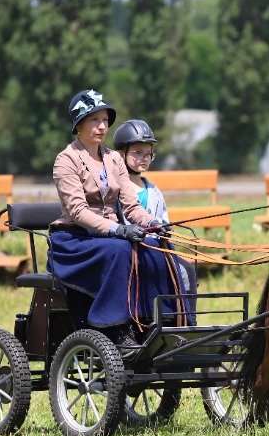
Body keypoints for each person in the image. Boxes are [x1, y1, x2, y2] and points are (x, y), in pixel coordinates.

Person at [47, 89, 177, 347]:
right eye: (94, 120)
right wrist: (117, 229)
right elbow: (78, 212)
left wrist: (152, 223)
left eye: (105, 120)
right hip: (74, 241)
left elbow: (130, 205)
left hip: (106, 239)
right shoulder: (66, 161)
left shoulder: (113, 159)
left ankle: (161, 323)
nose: (102, 126)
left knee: (157, 248)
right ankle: (117, 329)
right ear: (78, 125)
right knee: (120, 250)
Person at [113, 118, 197, 323]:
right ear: (120, 154)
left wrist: (164, 229)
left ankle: (185, 322)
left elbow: (162, 219)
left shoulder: (154, 191)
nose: (144, 158)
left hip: (155, 247)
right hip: (128, 249)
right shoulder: (116, 189)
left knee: (187, 270)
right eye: (137, 152)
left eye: (148, 153)